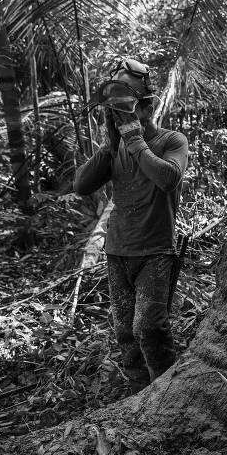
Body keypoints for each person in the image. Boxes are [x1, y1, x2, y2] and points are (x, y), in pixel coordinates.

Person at [74, 58, 189, 391]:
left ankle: (168, 395)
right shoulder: (116, 149)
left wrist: (135, 139)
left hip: (155, 250)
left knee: (149, 328)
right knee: (125, 333)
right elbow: (80, 186)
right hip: (118, 251)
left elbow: (168, 178)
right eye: (116, 112)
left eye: (127, 109)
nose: (121, 117)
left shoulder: (171, 141)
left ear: (148, 107)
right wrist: (111, 144)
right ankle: (138, 396)